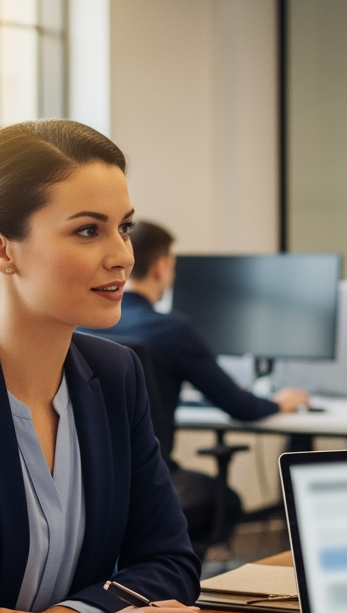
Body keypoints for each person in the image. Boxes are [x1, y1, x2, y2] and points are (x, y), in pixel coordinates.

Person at [0, 120, 216, 613]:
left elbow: (169, 561)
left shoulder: (116, 373)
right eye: (87, 231)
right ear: (1, 249)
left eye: (123, 228)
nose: (121, 255)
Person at [94, 221, 308, 545]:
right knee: (227, 501)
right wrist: (281, 401)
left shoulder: (87, 324)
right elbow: (240, 407)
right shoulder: (171, 330)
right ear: (161, 266)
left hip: (94, 485)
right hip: (149, 481)